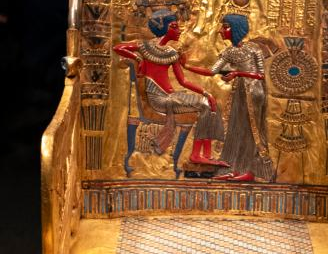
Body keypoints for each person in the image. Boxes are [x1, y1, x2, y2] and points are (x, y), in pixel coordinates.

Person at [113, 10, 227, 165]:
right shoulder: (144, 46)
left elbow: (183, 81)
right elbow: (118, 47)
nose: (179, 30)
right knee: (205, 106)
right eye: (174, 26)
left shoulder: (171, 53)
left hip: (171, 96)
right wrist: (137, 58)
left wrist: (206, 93)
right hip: (159, 99)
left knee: (211, 104)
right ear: (164, 27)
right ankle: (196, 155)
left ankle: (207, 155)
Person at [186, 13, 275, 182]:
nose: (221, 30)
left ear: (236, 29)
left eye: (225, 27)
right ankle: (233, 168)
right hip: (240, 91)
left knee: (251, 131)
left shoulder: (254, 48)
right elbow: (211, 71)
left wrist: (238, 73)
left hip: (254, 91)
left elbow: (261, 75)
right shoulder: (228, 52)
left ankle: (251, 171)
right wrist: (187, 66)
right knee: (236, 129)